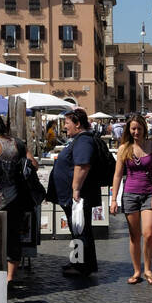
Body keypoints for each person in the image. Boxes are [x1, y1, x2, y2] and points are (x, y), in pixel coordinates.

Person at [0, 113, 38, 286]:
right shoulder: (18, 143)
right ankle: (10, 277)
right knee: (13, 237)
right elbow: (34, 165)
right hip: (17, 197)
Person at [111, 113, 152, 285]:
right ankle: (137, 271)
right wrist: (113, 199)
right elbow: (118, 175)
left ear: (144, 129)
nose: (136, 132)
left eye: (139, 129)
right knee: (134, 236)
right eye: (133, 129)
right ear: (129, 129)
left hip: (149, 194)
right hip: (130, 195)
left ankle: (148, 268)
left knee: (148, 233)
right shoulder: (124, 148)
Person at [51, 108, 101, 277]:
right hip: (74, 195)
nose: (65, 127)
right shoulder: (78, 139)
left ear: (77, 124)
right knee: (77, 230)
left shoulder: (83, 141)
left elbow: (82, 165)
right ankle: (77, 262)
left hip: (77, 195)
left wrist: (75, 189)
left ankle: (81, 266)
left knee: (80, 230)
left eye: (67, 123)